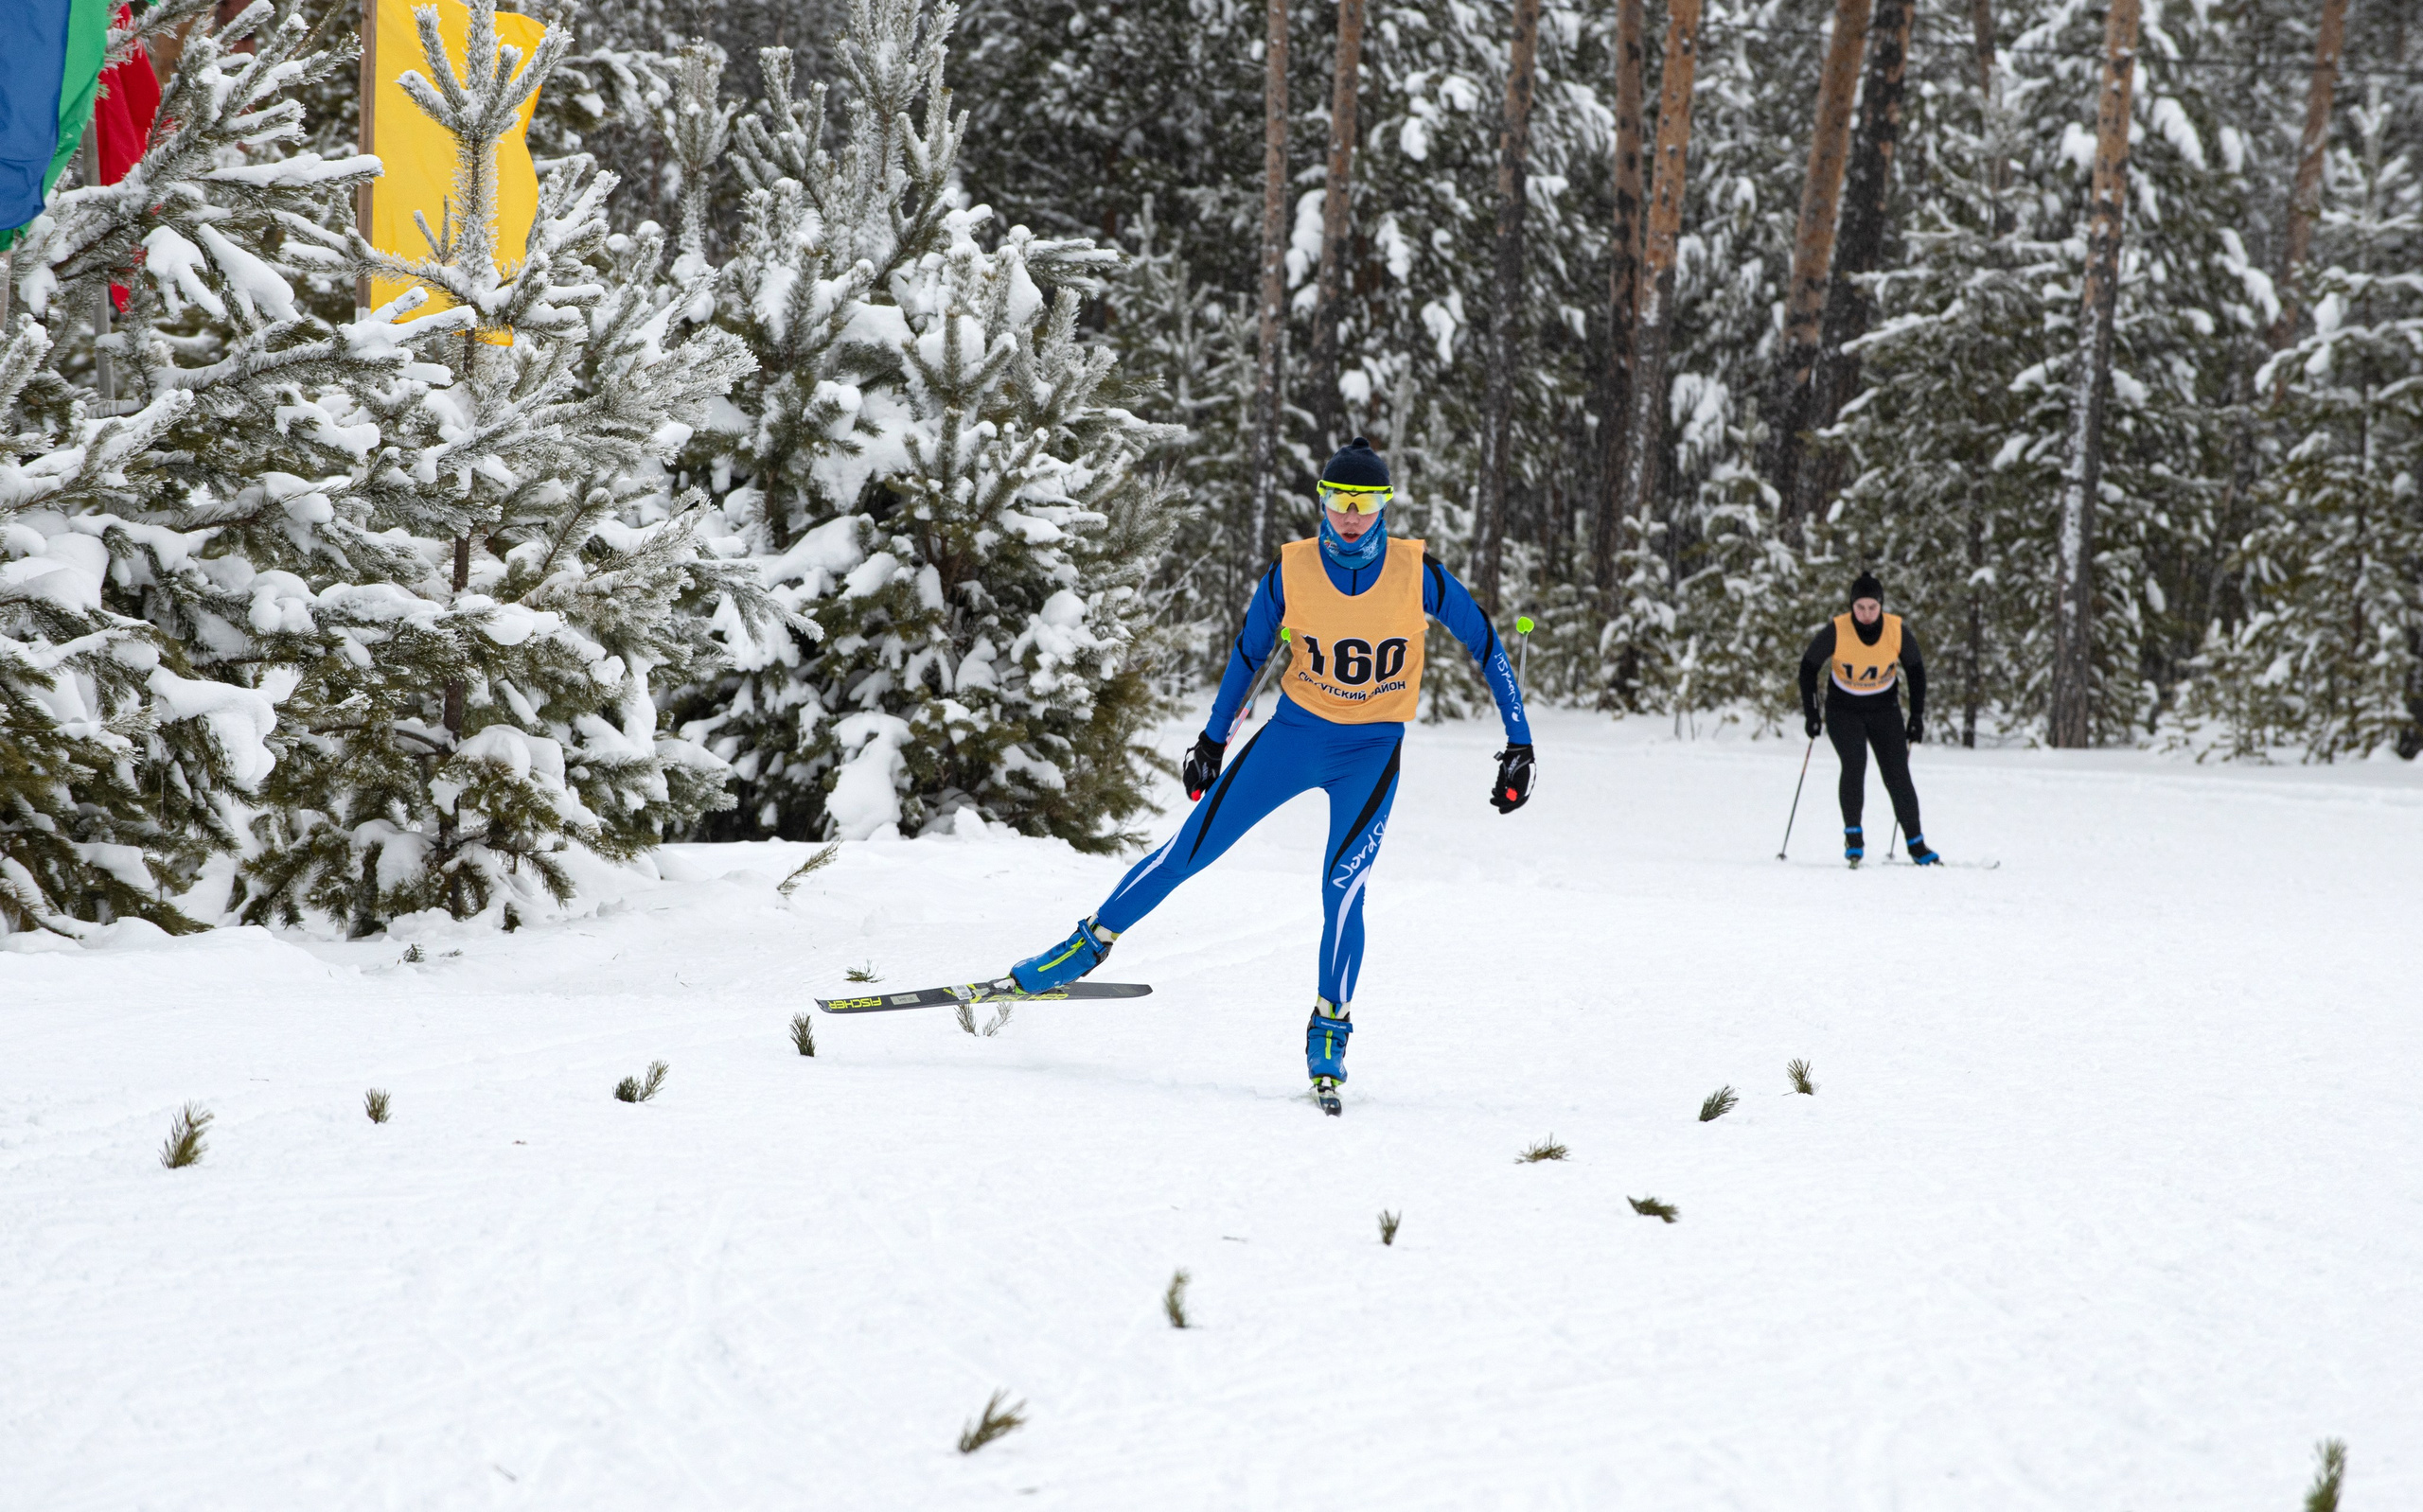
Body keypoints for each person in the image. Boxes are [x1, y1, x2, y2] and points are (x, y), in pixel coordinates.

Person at [1005, 438, 1536, 1115]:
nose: (1351, 516)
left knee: (1344, 893)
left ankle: (1330, 1035)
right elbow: (1248, 654)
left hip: (1370, 754)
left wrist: (1518, 742)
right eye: (1340, 501)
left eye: (1366, 503)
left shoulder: (1418, 573)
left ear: (1384, 507)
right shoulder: (1291, 572)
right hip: (1293, 738)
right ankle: (1082, 949)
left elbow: (1488, 643)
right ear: (1321, 501)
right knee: (1188, 850)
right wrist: (1211, 738)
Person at [1797, 571, 1940, 867]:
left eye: (1872, 607)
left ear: (1881, 605)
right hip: (1843, 710)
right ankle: (1854, 837)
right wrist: (1811, 712)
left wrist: (1916, 716)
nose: (1865, 614)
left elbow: (1916, 672)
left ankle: (1917, 844)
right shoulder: (1837, 630)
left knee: (1897, 774)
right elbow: (1808, 667)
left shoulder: (1896, 629)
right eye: (1859, 607)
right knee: (1854, 765)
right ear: (1852, 605)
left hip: (1884, 709)